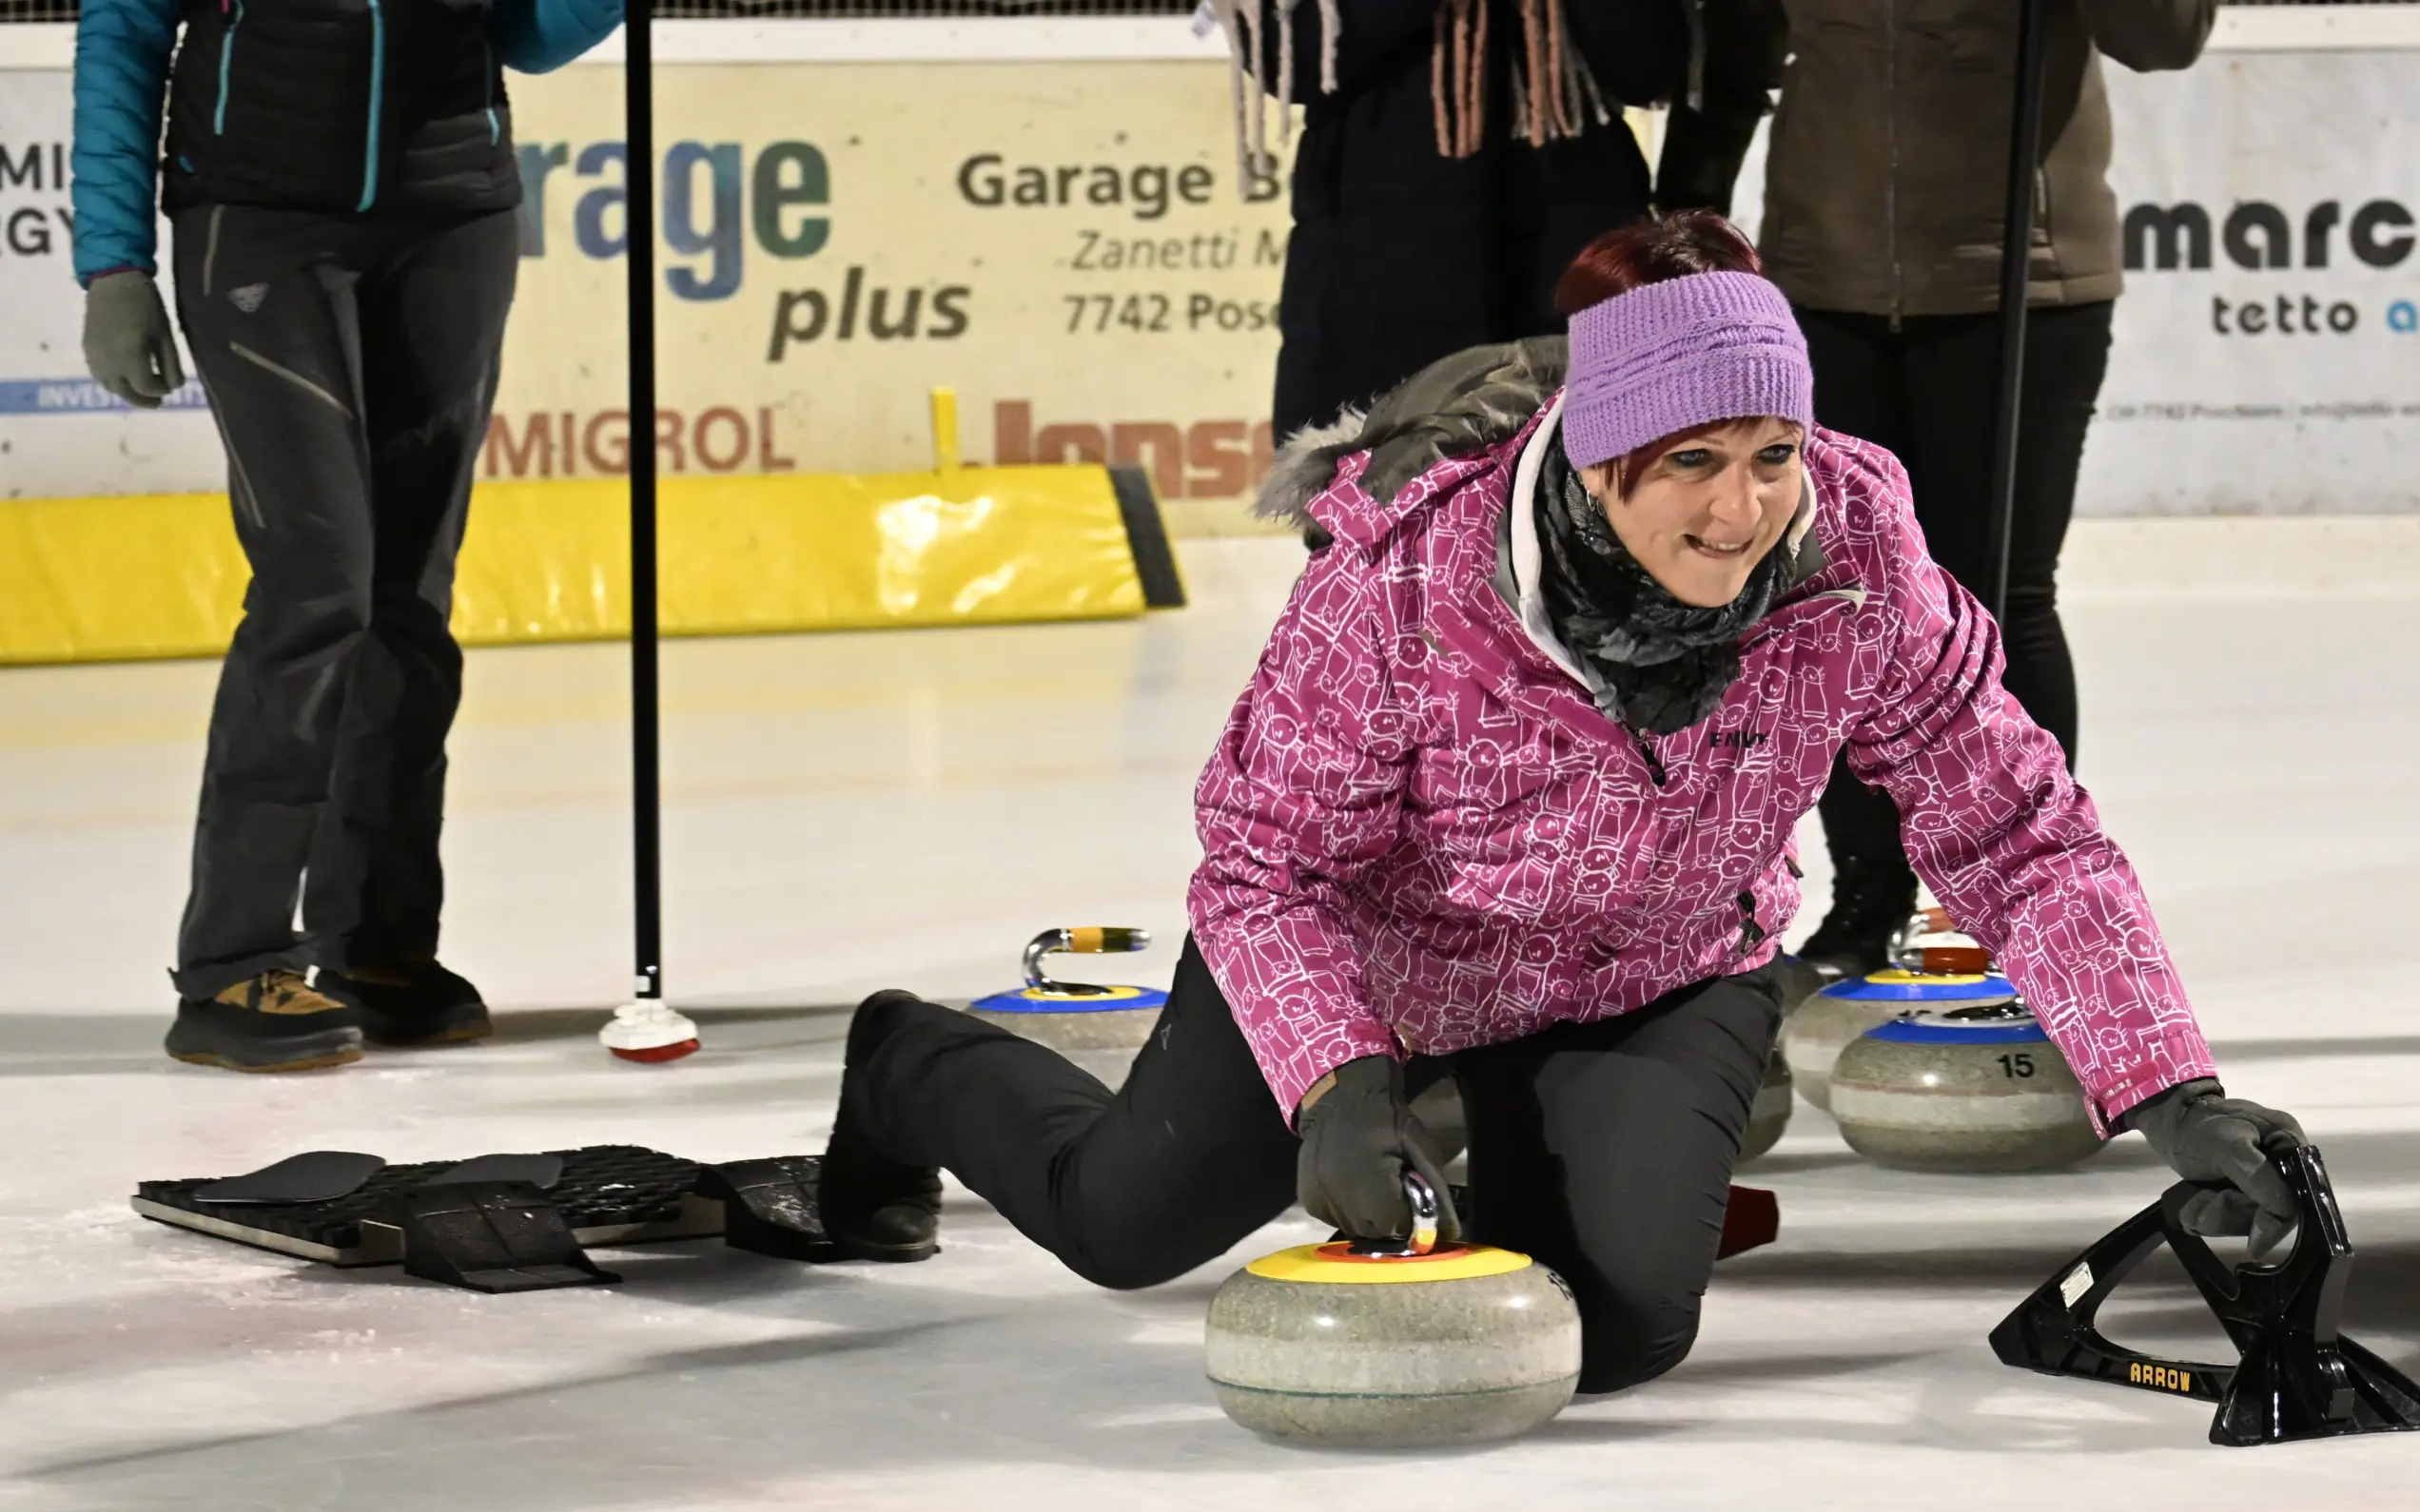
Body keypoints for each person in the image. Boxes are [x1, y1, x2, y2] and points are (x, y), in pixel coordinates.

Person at [810, 212, 2304, 1395]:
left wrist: (2170, 1092)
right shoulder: (1404, 588)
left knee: (1611, 1329)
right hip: (1384, 973)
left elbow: (2018, 827)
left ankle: (1492, 1124)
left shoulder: (1858, 556)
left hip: (1655, 972)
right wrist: (1338, 1082)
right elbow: (1266, 873)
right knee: (1122, 1226)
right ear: (1597, 461)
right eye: (1692, 464)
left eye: (1773, 456)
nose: (1743, 510)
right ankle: (904, 1065)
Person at [71, 0, 623, 1071]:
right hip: (258, 216)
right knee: (318, 581)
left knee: (410, 598)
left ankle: (376, 942)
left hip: (452, 218)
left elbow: (531, 36)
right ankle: (232, 961)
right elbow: (125, 32)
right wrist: (113, 263)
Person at [1655, 0, 2214, 977]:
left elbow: (2164, 38)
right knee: (1837, 603)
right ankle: (1869, 894)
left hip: (2021, 282)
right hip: (1823, 282)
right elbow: (1738, 57)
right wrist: (1681, 223)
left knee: (2002, 597)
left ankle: (2016, 896)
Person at [1227, 0, 1689, 439]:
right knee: (1383, 477)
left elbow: (1646, 66)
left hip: (1566, 252)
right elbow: (1291, 53)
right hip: (1376, 265)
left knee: (1591, 477)